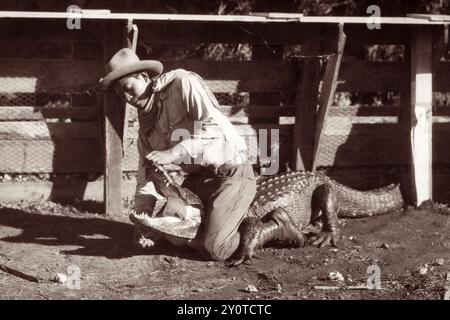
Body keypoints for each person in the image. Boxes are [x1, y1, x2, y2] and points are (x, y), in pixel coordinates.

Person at [100, 48, 299, 262]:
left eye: (129, 88)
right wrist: (143, 222)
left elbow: (214, 127)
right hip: (197, 181)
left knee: (213, 249)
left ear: (144, 76)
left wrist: (173, 152)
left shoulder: (182, 84)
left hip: (231, 173)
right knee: (167, 235)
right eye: (121, 95)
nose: (128, 98)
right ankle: (224, 223)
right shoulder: (146, 126)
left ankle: (276, 226)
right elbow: (145, 177)